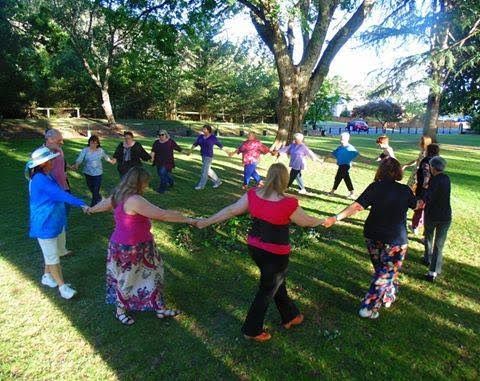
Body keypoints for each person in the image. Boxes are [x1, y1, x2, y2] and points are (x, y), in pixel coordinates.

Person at [197, 163, 324, 342]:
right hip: (275, 253)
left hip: (255, 248)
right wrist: (324, 220)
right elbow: (306, 221)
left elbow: (232, 210)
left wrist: (207, 221)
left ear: (269, 176)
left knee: (275, 281)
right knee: (267, 289)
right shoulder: (289, 203)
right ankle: (252, 329)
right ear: (286, 180)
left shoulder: (253, 195)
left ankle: (291, 316)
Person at [87, 167, 197, 325]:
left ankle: (159, 308)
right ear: (138, 183)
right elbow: (163, 215)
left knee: (155, 274)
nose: (146, 186)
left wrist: (91, 210)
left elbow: (104, 204)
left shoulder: (119, 194)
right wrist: (189, 220)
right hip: (129, 247)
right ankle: (120, 311)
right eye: (145, 183)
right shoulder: (134, 200)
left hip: (142, 244)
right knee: (126, 279)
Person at [322, 158, 418, 319]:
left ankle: (388, 294)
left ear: (380, 171)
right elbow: (417, 205)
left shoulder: (375, 187)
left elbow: (357, 206)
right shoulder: (405, 190)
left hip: (372, 234)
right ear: (398, 172)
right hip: (395, 239)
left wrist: (336, 218)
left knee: (382, 270)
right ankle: (369, 306)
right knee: (384, 273)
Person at [26, 147, 88, 299]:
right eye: (50, 160)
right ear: (43, 164)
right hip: (45, 224)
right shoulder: (40, 180)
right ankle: (62, 287)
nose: (53, 161)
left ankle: (47, 276)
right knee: (53, 257)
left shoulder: (45, 175)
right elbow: (59, 194)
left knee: (50, 253)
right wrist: (82, 204)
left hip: (52, 222)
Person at [421, 156, 452, 282]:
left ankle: (428, 260)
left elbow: (428, 197)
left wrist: (424, 187)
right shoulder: (446, 178)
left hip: (432, 215)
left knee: (428, 237)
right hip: (445, 216)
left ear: (433, 167)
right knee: (439, 244)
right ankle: (433, 269)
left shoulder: (434, 180)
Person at [44, 128, 74, 257]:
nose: (62, 142)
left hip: (64, 189)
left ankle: (61, 249)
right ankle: (53, 249)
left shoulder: (59, 150)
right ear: (50, 139)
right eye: (59, 140)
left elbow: (60, 168)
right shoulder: (42, 154)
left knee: (62, 218)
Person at [70, 135, 115, 206]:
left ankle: (93, 206)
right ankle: (99, 198)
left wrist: (111, 161)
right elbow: (80, 158)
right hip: (88, 172)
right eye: (91, 143)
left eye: (95, 143)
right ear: (89, 143)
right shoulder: (85, 150)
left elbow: (105, 157)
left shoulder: (100, 150)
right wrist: (77, 165)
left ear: (97, 143)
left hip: (98, 173)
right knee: (91, 187)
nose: (93, 144)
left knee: (96, 189)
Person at [410, 143, 440, 235]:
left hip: (425, 190)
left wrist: (424, 188)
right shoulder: (438, 161)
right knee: (429, 212)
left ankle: (415, 226)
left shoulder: (426, 161)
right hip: (435, 190)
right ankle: (426, 233)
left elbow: (426, 175)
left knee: (419, 208)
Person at [188, 124, 226, 190]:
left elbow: (220, 145)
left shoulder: (213, 138)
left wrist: (228, 152)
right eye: (203, 129)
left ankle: (201, 186)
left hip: (209, 156)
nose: (203, 130)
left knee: (204, 171)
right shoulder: (201, 137)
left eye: (204, 129)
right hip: (203, 155)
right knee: (208, 170)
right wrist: (190, 151)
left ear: (208, 130)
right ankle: (218, 181)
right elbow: (195, 144)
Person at [329, 132, 359, 199]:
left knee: (338, 178)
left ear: (347, 139)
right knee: (346, 179)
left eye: (343, 139)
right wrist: (325, 158)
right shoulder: (339, 147)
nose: (341, 140)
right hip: (341, 165)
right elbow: (333, 153)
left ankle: (332, 192)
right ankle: (352, 193)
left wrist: (350, 160)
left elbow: (357, 154)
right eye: (341, 138)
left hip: (345, 165)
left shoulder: (350, 147)